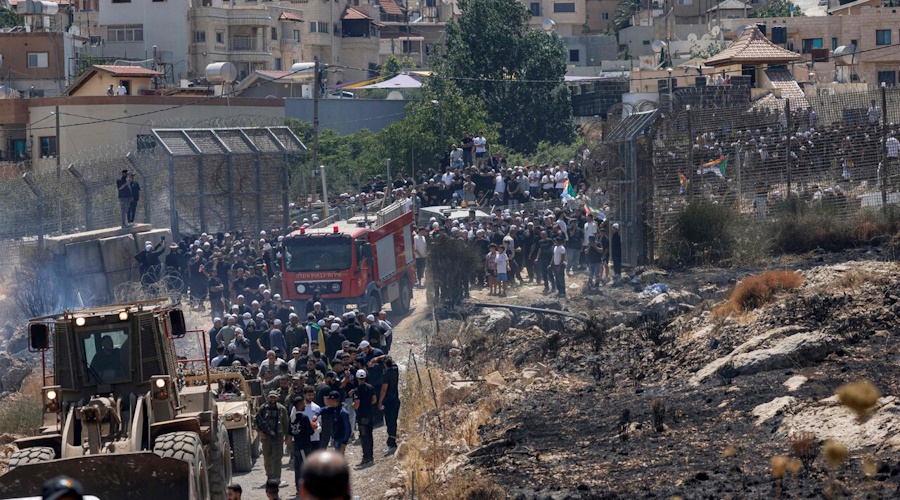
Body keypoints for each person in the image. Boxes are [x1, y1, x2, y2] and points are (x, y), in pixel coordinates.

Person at [255, 391, 290, 488]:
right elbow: (255, 421)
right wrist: (259, 431)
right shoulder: (262, 408)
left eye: (274, 397)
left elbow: (286, 423)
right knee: (267, 458)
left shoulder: (281, 409)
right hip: (266, 437)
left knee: (277, 458)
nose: (272, 399)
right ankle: (270, 477)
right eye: (271, 397)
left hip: (278, 437)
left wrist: (287, 436)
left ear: (277, 398)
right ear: (268, 397)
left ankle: (277, 477)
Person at [289, 395, 316, 497]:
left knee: (298, 469)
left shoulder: (292, 418)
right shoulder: (304, 418)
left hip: (296, 447)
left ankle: (299, 489)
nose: (304, 405)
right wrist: (315, 428)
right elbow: (310, 432)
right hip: (304, 446)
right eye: (303, 403)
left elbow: (290, 432)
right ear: (300, 405)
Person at [352, 369, 377, 466]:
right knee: (369, 435)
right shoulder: (370, 387)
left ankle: (366, 457)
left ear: (357, 378)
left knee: (363, 435)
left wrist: (353, 405)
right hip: (370, 414)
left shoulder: (357, 390)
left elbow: (356, 405)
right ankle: (371, 456)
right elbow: (374, 400)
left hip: (362, 416)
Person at [379, 355, 400, 454]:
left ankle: (391, 443)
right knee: (394, 421)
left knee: (389, 422)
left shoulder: (386, 374)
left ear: (384, 364)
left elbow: (384, 389)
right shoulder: (395, 370)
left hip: (388, 401)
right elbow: (393, 362)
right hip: (395, 399)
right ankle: (392, 440)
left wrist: (380, 401)